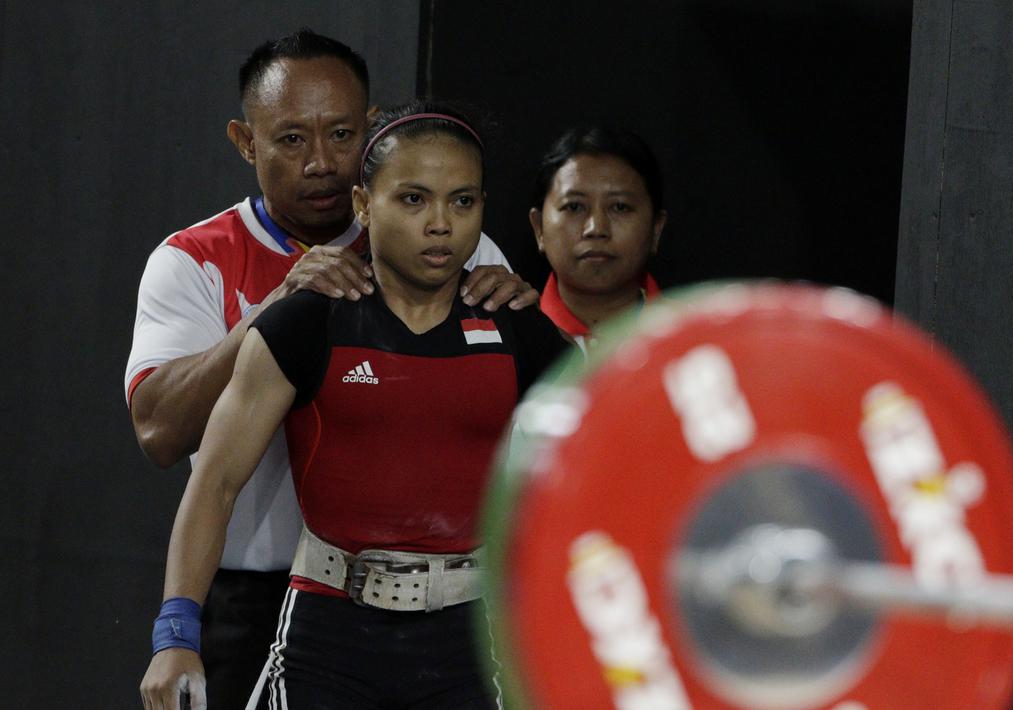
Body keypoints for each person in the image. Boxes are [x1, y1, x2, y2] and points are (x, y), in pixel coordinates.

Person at [126, 30, 535, 709]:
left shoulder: (466, 255)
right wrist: (275, 305)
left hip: (449, 602)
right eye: (291, 139)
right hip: (260, 593)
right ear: (245, 140)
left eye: (342, 134)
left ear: (370, 129)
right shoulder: (192, 259)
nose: (322, 161)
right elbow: (162, 436)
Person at [528, 126, 668, 351]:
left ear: (656, 229)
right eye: (574, 207)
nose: (595, 228)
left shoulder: (696, 342)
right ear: (539, 229)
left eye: (620, 207)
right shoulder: (512, 338)